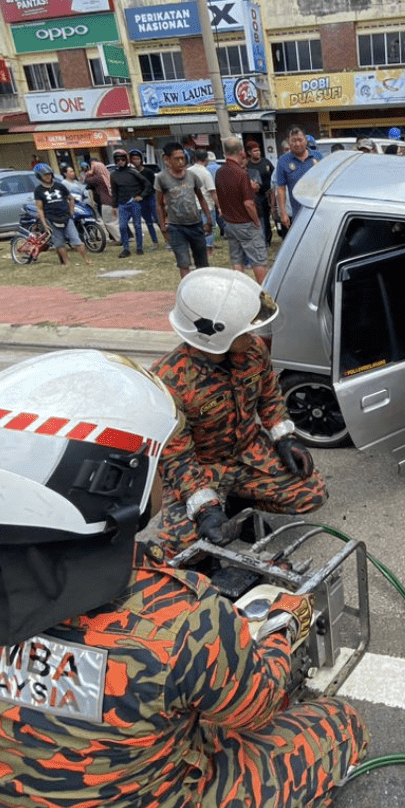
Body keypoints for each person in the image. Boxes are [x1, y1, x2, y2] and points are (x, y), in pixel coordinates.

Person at [0, 349, 365, 808]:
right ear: (109, 483)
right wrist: (279, 626)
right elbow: (258, 704)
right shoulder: (179, 621)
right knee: (338, 723)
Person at [153, 271, 328, 556]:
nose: (253, 336)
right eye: (244, 332)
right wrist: (204, 507)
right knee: (182, 545)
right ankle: (218, 509)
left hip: (248, 452)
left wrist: (285, 437)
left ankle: (240, 505)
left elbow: (269, 396)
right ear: (216, 337)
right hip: (201, 467)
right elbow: (176, 456)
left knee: (312, 493)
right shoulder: (169, 380)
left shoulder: (254, 352)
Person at [156, 142, 215, 278]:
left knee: (202, 263)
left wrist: (208, 219)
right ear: (167, 159)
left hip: (195, 224)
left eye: (183, 158)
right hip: (176, 227)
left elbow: (201, 198)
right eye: (177, 159)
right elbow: (159, 204)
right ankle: (186, 290)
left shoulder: (192, 176)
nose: (181, 162)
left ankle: (204, 288)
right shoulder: (161, 178)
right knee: (183, 263)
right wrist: (163, 226)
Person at [216, 136, 269, 283]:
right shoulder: (241, 173)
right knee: (258, 260)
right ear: (241, 152)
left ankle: (238, 289)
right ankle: (263, 293)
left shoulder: (220, 172)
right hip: (245, 222)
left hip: (230, 223)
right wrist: (256, 220)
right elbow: (248, 203)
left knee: (237, 260)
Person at [32, 164, 92, 267]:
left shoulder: (59, 186)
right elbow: (40, 209)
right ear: (40, 177)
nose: (48, 177)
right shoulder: (38, 190)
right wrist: (44, 223)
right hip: (52, 218)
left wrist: (71, 211)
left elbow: (71, 198)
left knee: (76, 240)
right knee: (59, 242)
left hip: (66, 217)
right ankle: (66, 262)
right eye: (45, 175)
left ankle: (86, 259)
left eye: (49, 174)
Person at [273, 127, 323, 231]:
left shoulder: (318, 157)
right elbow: (281, 189)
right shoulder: (283, 161)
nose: (297, 144)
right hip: (298, 214)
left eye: (300, 140)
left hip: (319, 211)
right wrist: (283, 213)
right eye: (293, 141)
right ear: (289, 142)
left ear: (305, 140)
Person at [110, 149, 152, 258]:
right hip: (122, 204)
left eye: (122, 159)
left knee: (137, 225)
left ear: (126, 160)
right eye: (118, 160)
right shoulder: (113, 175)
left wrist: (141, 196)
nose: (120, 161)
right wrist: (114, 206)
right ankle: (126, 249)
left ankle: (139, 247)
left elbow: (147, 184)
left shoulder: (133, 172)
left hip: (134, 203)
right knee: (122, 226)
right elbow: (114, 191)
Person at [187, 147, 219, 255]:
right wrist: (219, 206)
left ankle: (196, 248)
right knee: (209, 227)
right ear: (206, 160)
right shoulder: (205, 173)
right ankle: (208, 250)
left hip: (192, 206)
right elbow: (212, 191)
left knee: (196, 230)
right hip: (206, 205)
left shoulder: (188, 171)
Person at [128, 150, 161, 250]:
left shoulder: (148, 172)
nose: (135, 161)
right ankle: (155, 242)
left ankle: (169, 240)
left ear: (141, 160)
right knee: (148, 222)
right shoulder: (131, 173)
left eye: (137, 159)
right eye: (133, 159)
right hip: (140, 201)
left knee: (159, 220)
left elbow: (153, 186)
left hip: (151, 198)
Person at [245, 141, 274, 246]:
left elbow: (274, 176)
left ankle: (268, 238)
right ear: (249, 153)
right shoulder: (247, 165)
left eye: (258, 150)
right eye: (254, 151)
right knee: (259, 217)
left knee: (268, 217)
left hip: (268, 194)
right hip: (255, 196)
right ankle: (262, 239)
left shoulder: (266, 162)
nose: (257, 153)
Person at [82, 157, 117, 238]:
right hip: (109, 200)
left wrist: (89, 173)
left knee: (108, 221)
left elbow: (87, 181)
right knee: (114, 220)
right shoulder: (107, 175)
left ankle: (117, 237)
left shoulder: (98, 177)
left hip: (104, 201)